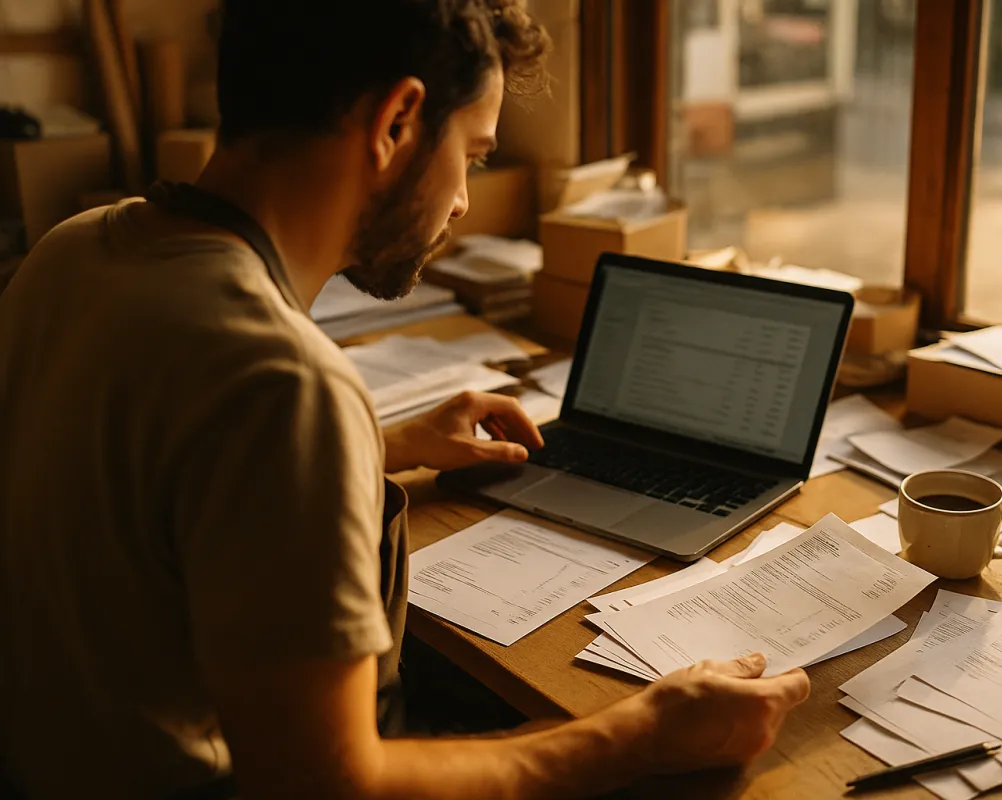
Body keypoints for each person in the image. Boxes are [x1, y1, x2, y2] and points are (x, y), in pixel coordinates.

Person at [0, 1, 812, 797]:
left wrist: (380, 446)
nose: (462, 200)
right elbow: (326, 783)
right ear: (397, 123)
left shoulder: (72, 251)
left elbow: (145, 474)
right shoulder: (285, 385)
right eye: (474, 154)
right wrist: (638, 733)